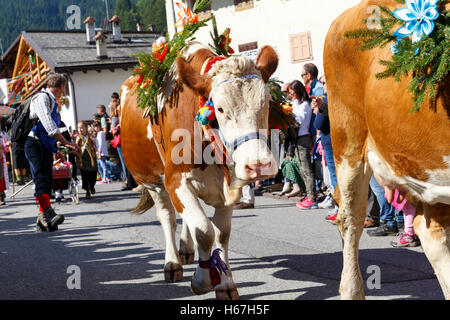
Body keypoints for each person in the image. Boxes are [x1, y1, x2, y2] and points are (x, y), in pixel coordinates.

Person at [24, 73, 80, 232]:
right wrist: (67, 142)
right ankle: (47, 213)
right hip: (33, 144)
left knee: (47, 180)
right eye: (64, 89)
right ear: (61, 87)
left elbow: (47, 130)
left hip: (43, 145)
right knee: (41, 178)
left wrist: (56, 150)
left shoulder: (50, 100)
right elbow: (49, 126)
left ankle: (42, 221)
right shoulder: (42, 98)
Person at [286, 81, 317, 210]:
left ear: (298, 91)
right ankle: (308, 194)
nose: (290, 94)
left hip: (304, 138)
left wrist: (288, 114)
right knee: (301, 169)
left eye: (292, 92)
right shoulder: (296, 103)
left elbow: (298, 120)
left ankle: (312, 197)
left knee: (306, 169)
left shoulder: (305, 104)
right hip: (298, 138)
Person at [76, 121, 98, 199]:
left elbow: (96, 146)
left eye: (82, 127)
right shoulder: (78, 138)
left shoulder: (91, 137)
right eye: (78, 128)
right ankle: (87, 191)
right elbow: (76, 148)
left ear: (86, 128)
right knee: (84, 176)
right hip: (83, 160)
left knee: (93, 175)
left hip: (91, 159)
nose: (80, 129)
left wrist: (93, 146)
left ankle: (92, 186)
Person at [0, 128, 11, 205]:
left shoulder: (1, 134)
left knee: (1, 177)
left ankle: (1, 195)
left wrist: (7, 144)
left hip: (0, 157)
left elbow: (3, 145)